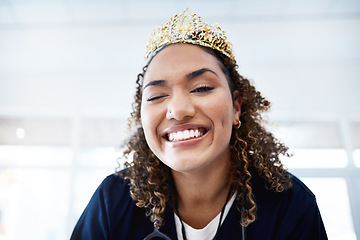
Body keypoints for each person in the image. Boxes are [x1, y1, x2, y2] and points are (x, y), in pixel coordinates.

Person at [70, 9, 328, 240]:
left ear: (236, 106)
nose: (178, 110)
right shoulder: (113, 201)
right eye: (157, 96)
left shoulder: (289, 205)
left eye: (201, 88)